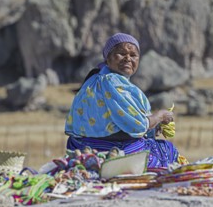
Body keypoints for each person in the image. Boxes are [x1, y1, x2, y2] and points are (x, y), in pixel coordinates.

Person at [65, 33, 188, 168]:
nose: (128, 58)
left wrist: (152, 128)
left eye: (133, 55)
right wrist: (160, 116)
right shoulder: (112, 82)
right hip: (108, 150)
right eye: (121, 53)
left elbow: (117, 122)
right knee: (167, 150)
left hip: (79, 147)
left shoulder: (95, 80)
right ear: (108, 59)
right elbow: (139, 126)